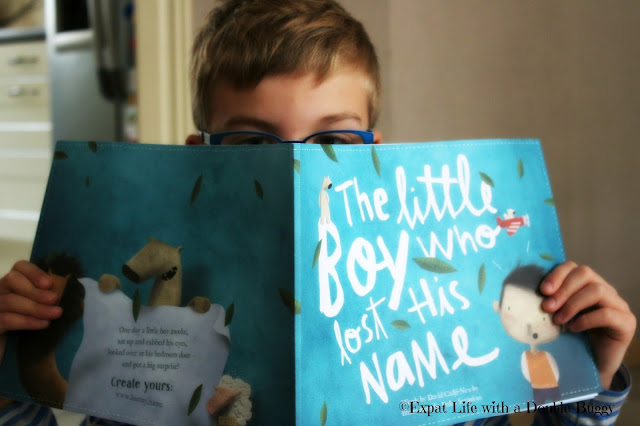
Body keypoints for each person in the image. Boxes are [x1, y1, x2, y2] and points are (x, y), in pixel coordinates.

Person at [0, 0, 635, 424]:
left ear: (375, 153)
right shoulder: (157, 315)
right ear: (199, 157)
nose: (297, 170)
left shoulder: (439, 301)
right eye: (251, 144)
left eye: (332, 140)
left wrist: (590, 376)